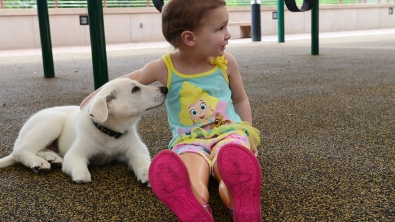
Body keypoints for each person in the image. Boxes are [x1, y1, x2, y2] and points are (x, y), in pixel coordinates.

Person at [81, 0, 262, 221]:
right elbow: (126, 80)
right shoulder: (163, 68)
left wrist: (247, 134)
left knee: (232, 164)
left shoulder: (225, 62)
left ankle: (241, 201)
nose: (228, 35)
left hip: (229, 133)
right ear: (190, 38)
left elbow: (240, 98)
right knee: (192, 173)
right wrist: (92, 100)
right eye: (220, 28)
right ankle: (195, 207)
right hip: (189, 140)